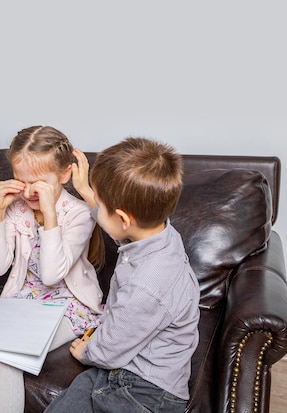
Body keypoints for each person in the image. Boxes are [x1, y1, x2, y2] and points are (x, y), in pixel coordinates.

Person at [0, 126, 105, 413]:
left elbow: (53, 275)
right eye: (21, 180)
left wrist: (50, 217)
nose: (28, 191)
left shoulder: (78, 214)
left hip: (68, 303)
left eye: (39, 182)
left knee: (6, 356)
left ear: (65, 175)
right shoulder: (17, 208)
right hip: (23, 299)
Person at [44, 137, 201, 413]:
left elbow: (109, 349)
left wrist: (88, 352)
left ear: (123, 219)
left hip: (148, 389)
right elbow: (115, 223)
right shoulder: (156, 233)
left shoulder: (147, 284)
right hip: (122, 366)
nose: (97, 210)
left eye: (101, 206)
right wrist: (85, 189)